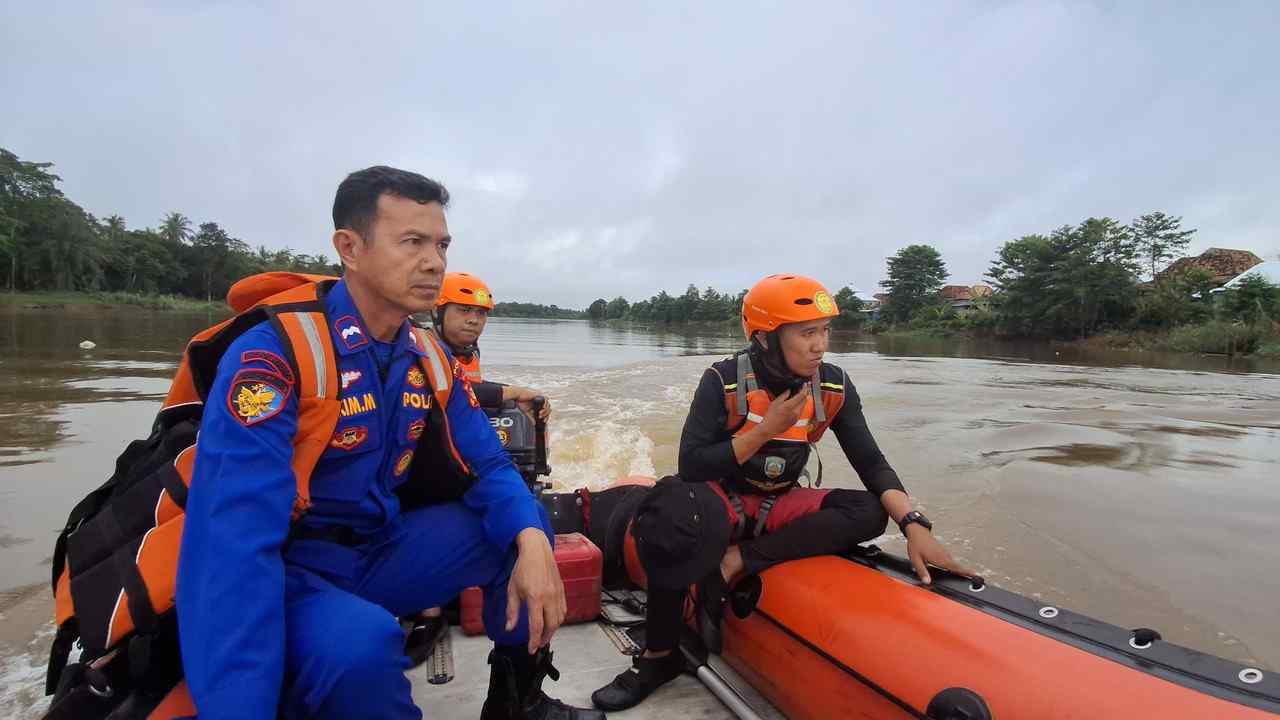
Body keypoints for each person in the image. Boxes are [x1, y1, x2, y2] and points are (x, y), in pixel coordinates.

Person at [176, 166, 603, 720]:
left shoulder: (428, 358)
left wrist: (534, 542)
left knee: (524, 524)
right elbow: (232, 541)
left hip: (380, 547)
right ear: (350, 248)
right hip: (293, 568)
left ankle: (516, 703)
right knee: (364, 646)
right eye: (413, 242)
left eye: (441, 244)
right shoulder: (277, 357)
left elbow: (490, 465)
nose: (434, 261)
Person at [590, 274, 974, 712]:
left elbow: (870, 461)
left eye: (825, 331)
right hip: (719, 498)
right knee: (670, 509)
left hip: (777, 502)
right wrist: (764, 429)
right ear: (766, 339)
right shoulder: (723, 380)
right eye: (807, 332)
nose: (820, 345)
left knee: (868, 511)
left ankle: (738, 560)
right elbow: (692, 465)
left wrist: (912, 524)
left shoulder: (833, 386)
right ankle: (660, 656)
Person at [402, 271, 553, 668]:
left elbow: (469, 392)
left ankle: (511, 642)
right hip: (418, 470)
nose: (474, 320)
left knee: (522, 506)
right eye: (465, 310)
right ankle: (429, 614)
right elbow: (447, 387)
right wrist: (511, 391)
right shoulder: (419, 346)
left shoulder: (469, 353)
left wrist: (523, 400)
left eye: (481, 313)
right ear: (439, 311)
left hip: (459, 457)